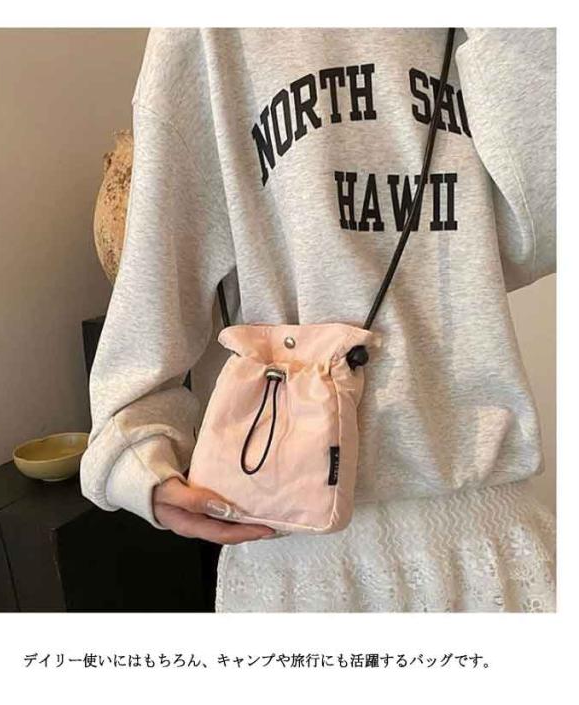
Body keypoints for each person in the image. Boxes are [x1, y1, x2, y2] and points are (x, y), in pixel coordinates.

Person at [80, 27, 556, 612]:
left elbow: (537, 238)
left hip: (485, 531)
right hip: (297, 545)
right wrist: (137, 456)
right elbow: (155, 282)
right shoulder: (210, 32)